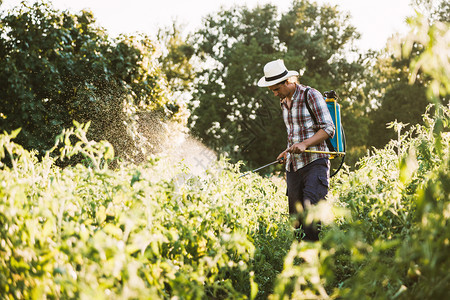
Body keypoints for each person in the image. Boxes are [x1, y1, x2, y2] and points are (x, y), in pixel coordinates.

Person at [258, 59, 335, 241]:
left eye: (276, 89)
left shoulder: (310, 95)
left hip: (315, 162)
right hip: (294, 167)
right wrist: (288, 151)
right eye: (272, 91)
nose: (275, 94)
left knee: (310, 214)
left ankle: (313, 264)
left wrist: (305, 144)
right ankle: (300, 263)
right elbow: (295, 135)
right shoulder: (284, 102)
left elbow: (328, 128)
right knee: (296, 221)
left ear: (287, 81)